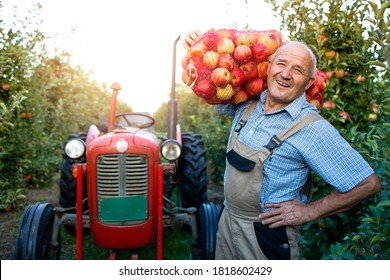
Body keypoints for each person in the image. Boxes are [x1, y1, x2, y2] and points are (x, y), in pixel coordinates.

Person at [183, 30, 382, 260]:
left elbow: (367, 184)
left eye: (297, 70)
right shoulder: (246, 102)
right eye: (281, 63)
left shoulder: (311, 128)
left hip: (266, 238)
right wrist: (196, 48)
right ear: (268, 67)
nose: (285, 74)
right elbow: (211, 85)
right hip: (227, 221)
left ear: (309, 82)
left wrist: (308, 212)